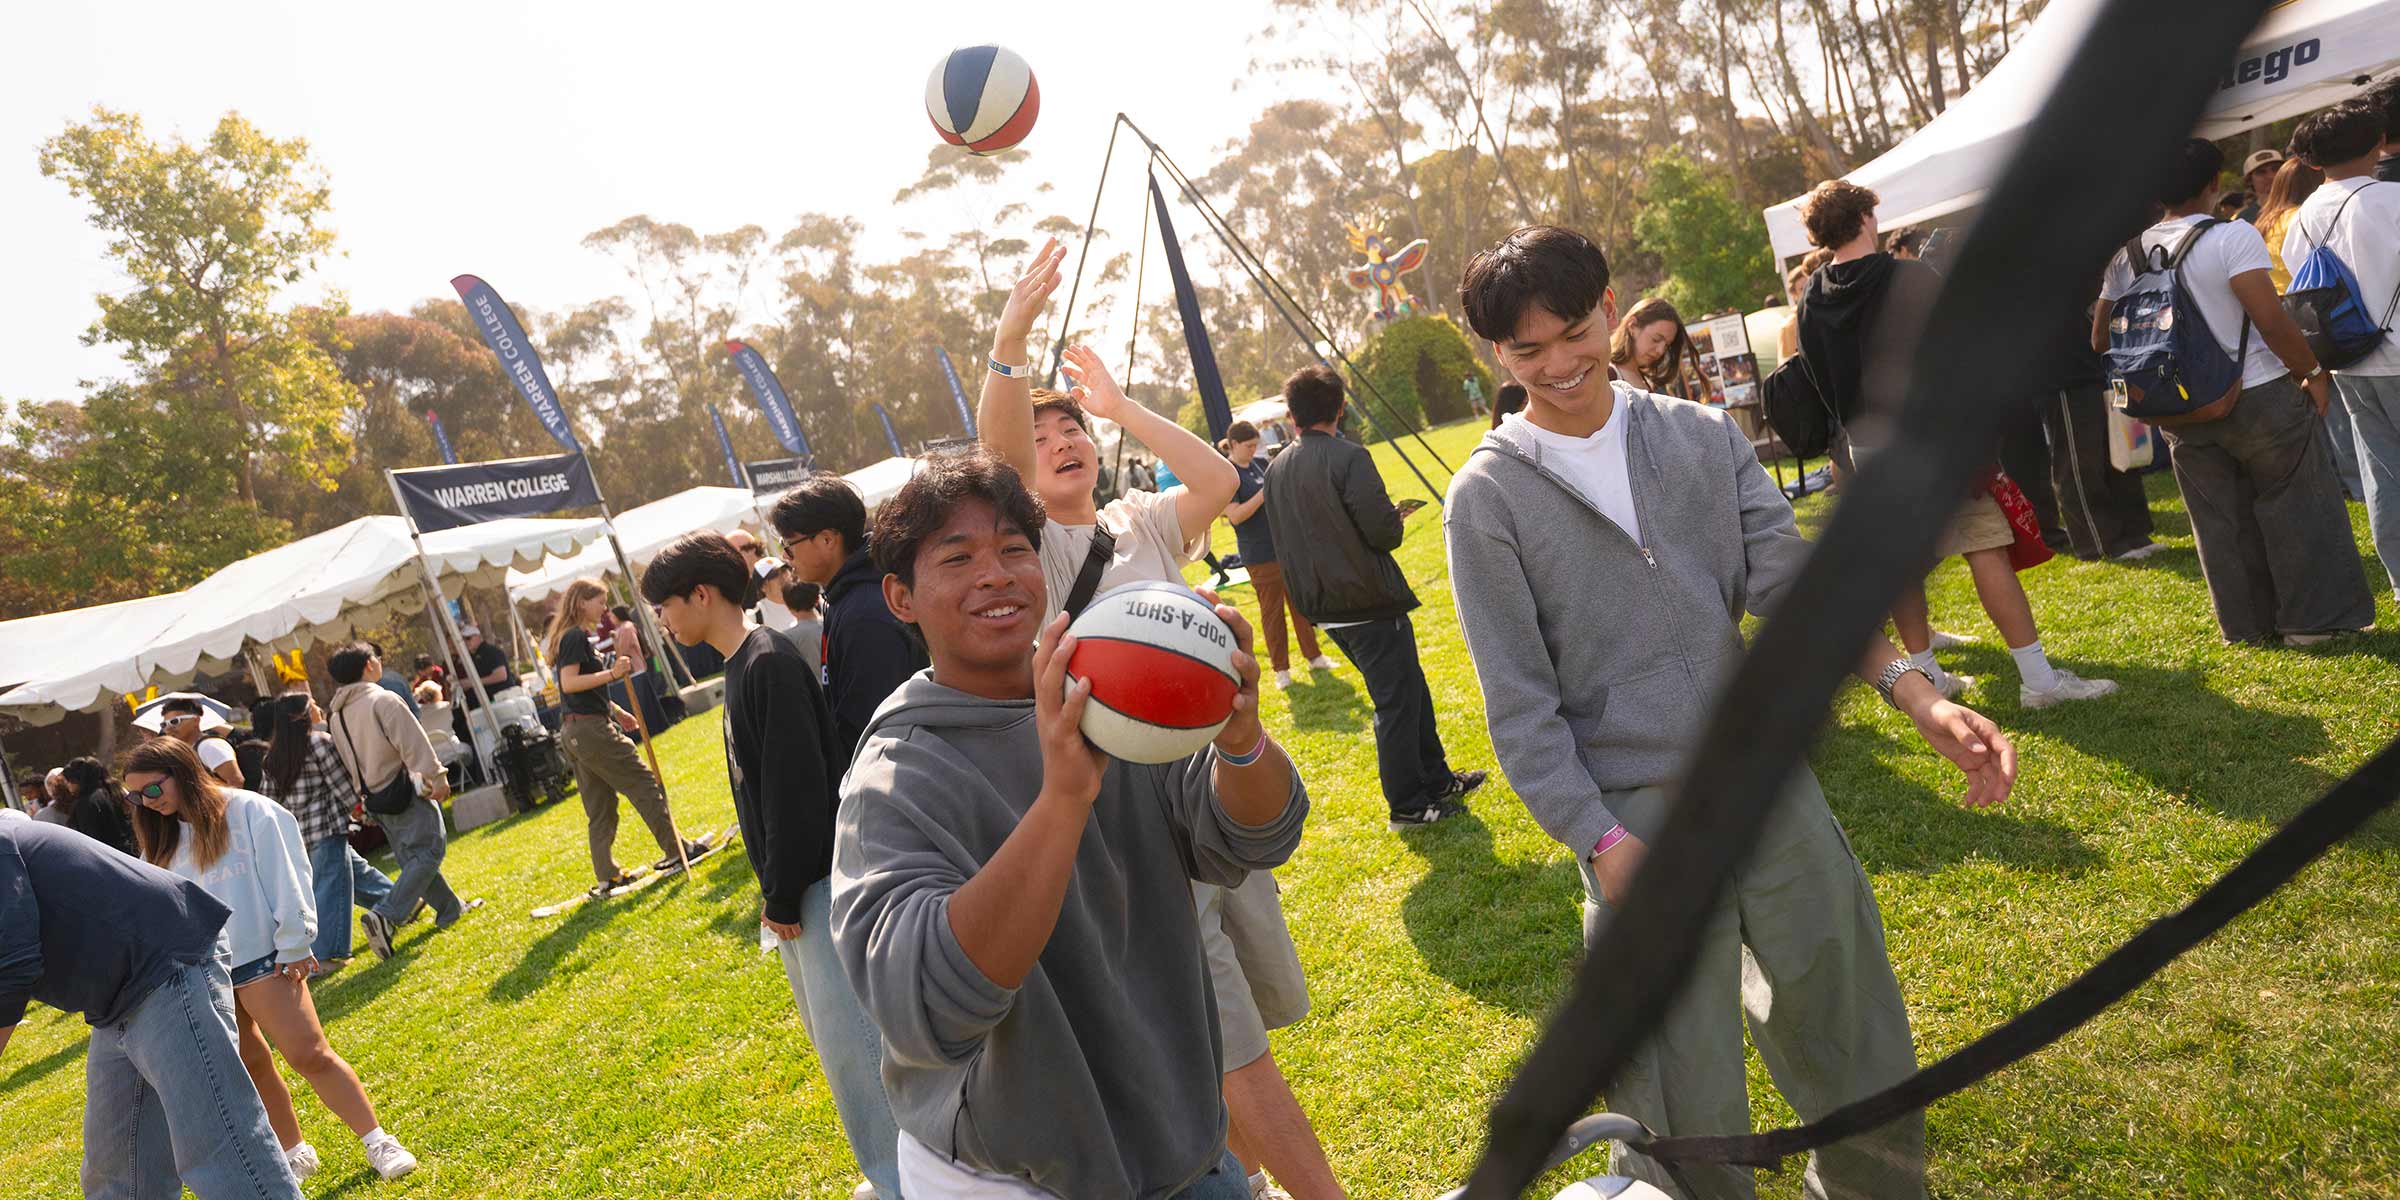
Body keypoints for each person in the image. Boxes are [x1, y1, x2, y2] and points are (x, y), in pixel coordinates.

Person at [1448, 222, 2019, 1200]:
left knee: (1856, 1041)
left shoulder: (1699, 437)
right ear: (1496, 354)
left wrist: (1915, 693)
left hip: (1765, 787)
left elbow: (1801, 594)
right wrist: (1598, 838)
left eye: (1575, 330)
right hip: (1635, 825)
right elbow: (1520, 708)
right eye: (1526, 350)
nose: (1558, 363)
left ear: (1608, 310)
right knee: (1677, 1101)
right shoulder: (1487, 498)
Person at [829, 449, 1306, 1200]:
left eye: (1015, 549)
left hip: (1186, 1148)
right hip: (1023, 1179)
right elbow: (927, 1009)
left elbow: (1252, 835)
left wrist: (1242, 743)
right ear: (901, 598)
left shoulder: (1109, 696)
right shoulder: (896, 777)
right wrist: (1061, 803)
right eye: (957, 558)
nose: (996, 574)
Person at [978, 244, 1341, 1200]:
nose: (1062, 443)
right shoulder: (1033, 551)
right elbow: (999, 454)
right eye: (1046, 435)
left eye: (1075, 432)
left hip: (1211, 792)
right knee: (1232, 1044)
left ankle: (1236, 1181)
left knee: (1224, 1026)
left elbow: (1220, 483)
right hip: (1128, 822)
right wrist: (1013, 344)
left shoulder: (1138, 523)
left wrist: (1123, 408)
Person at [640, 532, 902, 1199]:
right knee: (838, 1043)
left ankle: (904, 1177)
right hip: (799, 885)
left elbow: (797, 789)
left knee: (858, 1050)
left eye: (666, 606)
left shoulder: (768, 662)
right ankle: (887, 1169)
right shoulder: (746, 662)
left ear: (702, 594)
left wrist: (783, 894)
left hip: (817, 883)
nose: (663, 623)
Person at [1797, 178, 2117, 703]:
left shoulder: (1812, 295)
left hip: (1866, 445)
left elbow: (1816, 376)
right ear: (1862, 220)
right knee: (1985, 545)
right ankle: (2039, 681)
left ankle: (1927, 677)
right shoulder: (1909, 278)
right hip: (1932, 440)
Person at [2096, 137, 2373, 645]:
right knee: (2297, 504)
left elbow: (2100, 337)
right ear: (2212, 184)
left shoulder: (2126, 256)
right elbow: (2270, 319)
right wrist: (2311, 373)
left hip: (2178, 408)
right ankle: (2312, 625)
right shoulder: (2232, 237)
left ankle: (2246, 627)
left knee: (2218, 520)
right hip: (2258, 392)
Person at [121, 737, 419, 1182]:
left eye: (152, 790)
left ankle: (378, 1140)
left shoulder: (249, 811)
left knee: (310, 1054)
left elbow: (290, 874)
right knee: (251, 1067)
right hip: (204, 971)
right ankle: (294, 1151)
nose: (146, 803)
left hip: (266, 958)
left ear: (181, 772)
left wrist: (296, 943)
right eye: (134, 796)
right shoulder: (158, 840)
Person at [0, 819, 306, 1199]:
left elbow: (13, 963)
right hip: (114, 1000)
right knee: (118, 1175)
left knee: (218, 1149)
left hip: (163, 967)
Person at [1266, 364, 1485, 825]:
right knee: (1398, 700)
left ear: (1292, 415)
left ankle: (1437, 778)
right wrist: (1393, 517)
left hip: (1322, 603)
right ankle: (1407, 803)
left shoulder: (1277, 467)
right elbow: (1383, 532)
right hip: (1364, 600)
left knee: (1409, 690)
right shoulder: (1348, 457)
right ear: (1341, 407)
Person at [2283, 101, 2400, 608]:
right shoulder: (2392, 199)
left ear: (2312, 161)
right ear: (2379, 143)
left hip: (2348, 359)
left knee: (2382, 473)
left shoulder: (2304, 215)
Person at [541, 580, 704, 894]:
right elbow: (570, 683)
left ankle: (608, 874)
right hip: (589, 731)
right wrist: (613, 673)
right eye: (599, 603)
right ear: (581, 602)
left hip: (576, 729)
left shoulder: (570, 637)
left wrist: (616, 710)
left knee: (600, 806)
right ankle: (677, 849)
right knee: (643, 782)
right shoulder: (574, 635)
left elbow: (580, 690)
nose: (604, 610)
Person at [326, 644, 477, 960]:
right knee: (431, 849)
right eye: (377, 659)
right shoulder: (381, 699)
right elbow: (413, 742)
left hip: (373, 796)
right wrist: (437, 776)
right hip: (403, 786)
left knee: (413, 857)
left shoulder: (336, 714)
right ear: (369, 665)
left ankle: (450, 909)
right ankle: (385, 914)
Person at [772, 475, 930, 758]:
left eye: (788, 546)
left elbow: (876, 726)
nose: (786, 557)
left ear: (827, 539)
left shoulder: (865, 613)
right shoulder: (843, 596)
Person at [258, 692, 398, 971]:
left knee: (356, 874)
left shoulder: (272, 755)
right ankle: (323, 957)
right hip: (327, 827)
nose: (318, 708)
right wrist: (364, 814)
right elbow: (342, 786)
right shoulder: (319, 743)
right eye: (313, 705)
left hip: (299, 836)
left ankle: (399, 903)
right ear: (301, 715)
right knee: (329, 890)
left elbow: (268, 802)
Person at [2256, 152, 2362, 501]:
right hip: (2316, 316)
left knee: (2317, 407)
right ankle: (2355, 481)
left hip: (2284, 323)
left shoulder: (2263, 223)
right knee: (2337, 404)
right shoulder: (2300, 218)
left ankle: (2337, 475)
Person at [1222, 420, 1338, 689]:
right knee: (1272, 613)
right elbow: (1236, 516)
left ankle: (1314, 656)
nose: (1254, 450)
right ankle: (1281, 670)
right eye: (1249, 446)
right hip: (1258, 554)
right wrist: (1264, 493)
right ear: (1235, 444)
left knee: (1300, 605)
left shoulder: (1259, 465)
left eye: (1256, 445)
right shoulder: (1227, 474)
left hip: (1284, 548)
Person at [2042, 305, 2163, 561]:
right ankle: (2098, 543)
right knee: (2079, 462)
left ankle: (2135, 533)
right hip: (2065, 372)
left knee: (2124, 452)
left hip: (2108, 365)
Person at [1608, 297, 1708, 403]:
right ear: (1632, 325)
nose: (1660, 351)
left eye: (1666, 346)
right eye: (1656, 339)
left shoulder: (1649, 380)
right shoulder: (1607, 375)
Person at [158, 696, 246, 787]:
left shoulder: (208, 746)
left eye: (174, 721)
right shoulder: (189, 750)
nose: (168, 728)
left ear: (196, 720)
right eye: (164, 724)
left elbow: (236, 781)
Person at [61, 755, 139, 855]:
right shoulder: (115, 792)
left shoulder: (86, 803)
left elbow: (91, 843)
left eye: (70, 781)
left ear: (78, 781)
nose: (68, 785)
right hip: (129, 854)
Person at [458, 625, 516, 709]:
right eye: (462, 640)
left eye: (468, 638)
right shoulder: (470, 657)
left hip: (503, 699)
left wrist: (472, 683)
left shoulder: (491, 651)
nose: (466, 642)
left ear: (478, 637)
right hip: (488, 702)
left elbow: (501, 676)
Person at [2236, 149, 2283, 223]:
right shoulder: (2244, 219)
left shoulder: (2301, 206)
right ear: (2249, 181)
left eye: (2275, 169)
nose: (2271, 176)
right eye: (2261, 172)